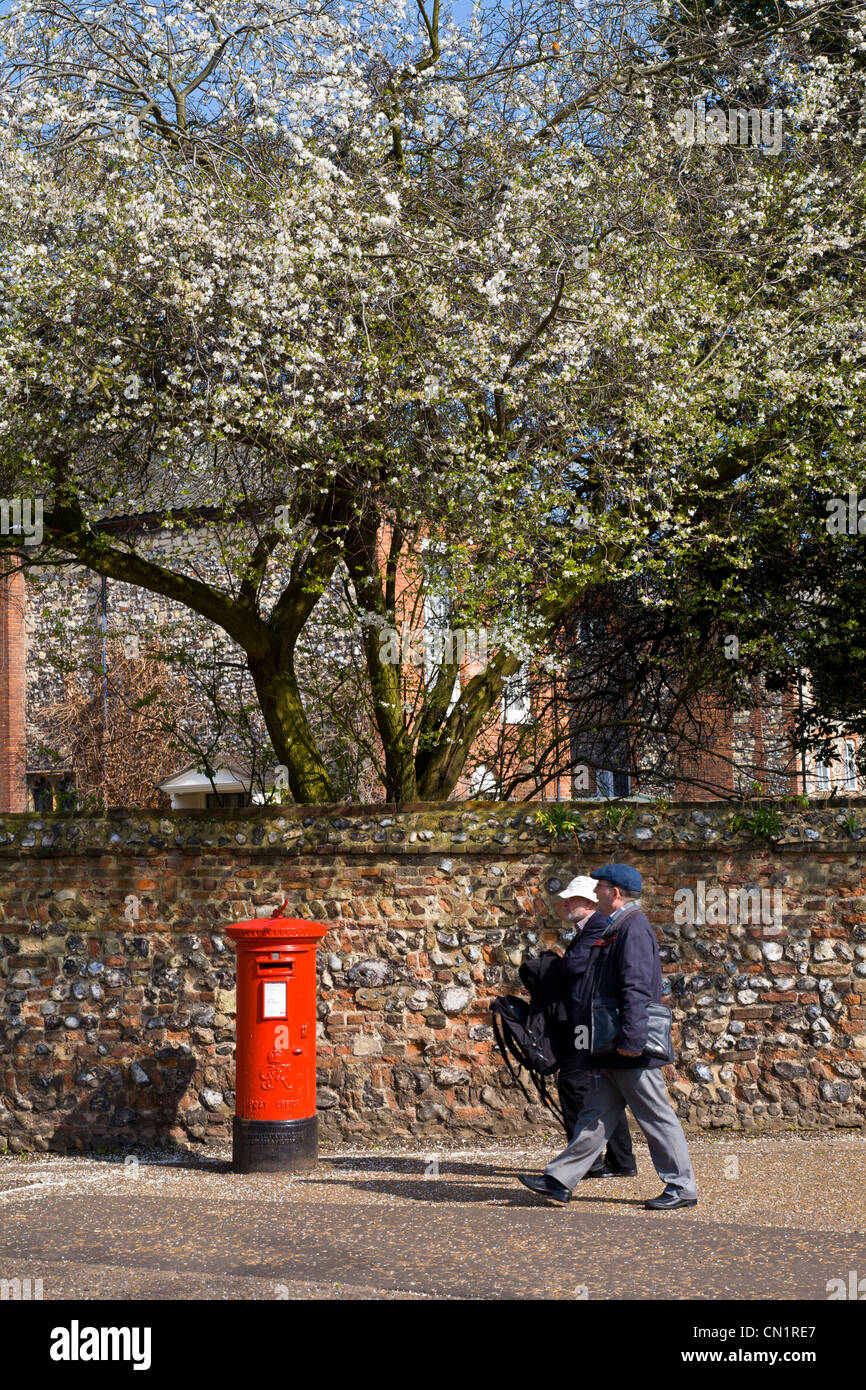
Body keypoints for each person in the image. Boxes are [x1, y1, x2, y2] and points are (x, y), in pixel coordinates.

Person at [517, 863, 698, 1211]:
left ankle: (682, 1187)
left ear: (614, 893)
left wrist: (632, 1039)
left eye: (599, 887)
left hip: (627, 1045)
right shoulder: (619, 926)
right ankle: (559, 1180)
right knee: (595, 1115)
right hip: (610, 1044)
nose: (594, 891)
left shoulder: (633, 928)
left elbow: (637, 986)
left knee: (656, 1115)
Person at [535, 874, 636, 1177]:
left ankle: (590, 1162)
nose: (564, 903)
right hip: (586, 1020)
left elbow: (575, 966)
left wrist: (559, 961)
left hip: (590, 1023)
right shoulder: (589, 928)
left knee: (575, 1083)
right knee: (603, 1088)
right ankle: (620, 1161)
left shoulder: (596, 927)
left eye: (572, 898)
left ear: (591, 902)